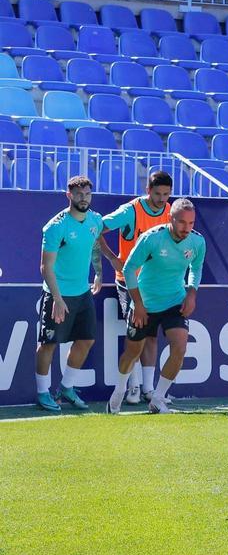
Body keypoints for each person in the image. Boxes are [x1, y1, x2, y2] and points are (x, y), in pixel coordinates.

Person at [106, 199, 206, 414]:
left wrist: (192, 293)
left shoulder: (197, 242)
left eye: (191, 223)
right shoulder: (152, 238)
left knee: (179, 347)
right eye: (181, 223)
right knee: (132, 352)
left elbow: (196, 268)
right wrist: (139, 304)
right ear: (171, 219)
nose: (186, 228)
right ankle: (119, 390)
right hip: (145, 303)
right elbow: (130, 269)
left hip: (174, 301)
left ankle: (158, 398)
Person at [35, 175, 122, 412]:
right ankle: (43, 393)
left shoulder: (95, 220)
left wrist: (98, 272)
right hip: (57, 294)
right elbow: (46, 267)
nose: (84, 199)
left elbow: (95, 244)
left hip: (82, 293)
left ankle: (66, 387)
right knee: (48, 344)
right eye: (79, 195)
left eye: (87, 195)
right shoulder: (55, 227)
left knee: (86, 340)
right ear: (69, 196)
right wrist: (58, 299)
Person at [97, 170, 173, 405]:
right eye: (158, 193)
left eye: (166, 194)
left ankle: (149, 390)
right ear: (148, 191)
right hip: (130, 282)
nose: (162, 199)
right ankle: (132, 388)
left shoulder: (171, 212)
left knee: (150, 336)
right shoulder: (130, 211)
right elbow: (96, 228)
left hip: (155, 284)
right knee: (136, 335)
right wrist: (111, 258)